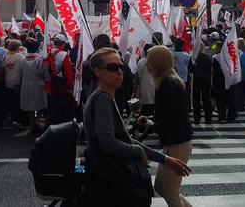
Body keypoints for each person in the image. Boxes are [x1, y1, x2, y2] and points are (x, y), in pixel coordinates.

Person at [83, 47, 190, 206]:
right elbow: (108, 142)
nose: (120, 72)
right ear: (97, 72)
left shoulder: (104, 97)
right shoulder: (103, 100)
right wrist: (140, 151)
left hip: (109, 173)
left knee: (165, 189)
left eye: (121, 67)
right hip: (109, 174)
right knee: (163, 190)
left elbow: (123, 138)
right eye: (113, 68)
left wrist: (165, 159)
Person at [145, 46, 194, 207]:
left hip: (177, 141)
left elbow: (172, 116)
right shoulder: (170, 80)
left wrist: (153, 124)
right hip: (176, 140)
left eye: (149, 60)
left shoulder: (167, 84)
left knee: (170, 191)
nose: (147, 64)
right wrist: (152, 120)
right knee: (161, 187)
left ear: (157, 63)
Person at [44, 33, 74, 125]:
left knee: (53, 109)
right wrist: (70, 86)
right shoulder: (64, 55)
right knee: (64, 111)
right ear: (63, 43)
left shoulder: (46, 53)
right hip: (62, 87)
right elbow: (68, 72)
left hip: (49, 86)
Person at [19, 38, 47, 131]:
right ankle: (37, 120)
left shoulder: (22, 59)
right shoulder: (40, 59)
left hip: (26, 83)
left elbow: (20, 72)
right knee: (41, 104)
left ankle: (32, 123)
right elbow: (44, 72)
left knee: (29, 104)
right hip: (39, 83)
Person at [212, 42, 237, 123]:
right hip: (230, 81)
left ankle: (222, 117)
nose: (214, 49)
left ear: (220, 48)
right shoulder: (230, 56)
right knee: (230, 100)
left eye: (216, 47)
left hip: (220, 82)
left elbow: (215, 72)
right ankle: (231, 116)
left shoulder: (216, 57)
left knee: (221, 101)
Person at [3, 39, 25, 127]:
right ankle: (16, 120)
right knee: (17, 102)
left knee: (10, 101)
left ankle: (11, 118)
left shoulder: (5, 55)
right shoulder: (20, 57)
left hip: (7, 81)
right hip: (17, 82)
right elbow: (23, 70)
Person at [191, 41, 213, 125]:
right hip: (206, 80)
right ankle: (208, 118)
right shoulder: (207, 58)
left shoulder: (193, 58)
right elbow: (210, 69)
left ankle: (197, 119)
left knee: (196, 100)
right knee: (206, 99)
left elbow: (190, 69)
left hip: (196, 80)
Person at [135, 44, 156, 116]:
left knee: (145, 112)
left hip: (144, 89)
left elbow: (138, 77)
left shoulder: (141, 62)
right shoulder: (158, 61)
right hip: (156, 89)